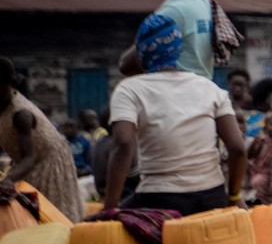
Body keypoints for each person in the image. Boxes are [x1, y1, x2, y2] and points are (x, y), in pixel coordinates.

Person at [102, 15, 245, 216]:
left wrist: (110, 207)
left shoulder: (129, 89)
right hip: (212, 196)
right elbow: (237, 148)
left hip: (158, 199)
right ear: (178, 50)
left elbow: (123, 143)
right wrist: (233, 196)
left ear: (141, 52)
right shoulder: (209, 88)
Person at [0, 57, 85, 220]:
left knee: (51, 217)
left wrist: (9, 179)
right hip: (25, 163)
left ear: (9, 84)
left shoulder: (20, 114)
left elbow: (29, 158)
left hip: (47, 163)